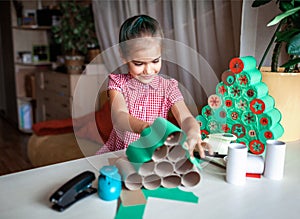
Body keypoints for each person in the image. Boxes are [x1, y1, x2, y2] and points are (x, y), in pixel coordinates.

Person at [96, 14, 212, 158]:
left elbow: (185, 117)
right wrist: (146, 128)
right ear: (123, 56)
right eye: (138, 63)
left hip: (153, 155)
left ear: (161, 53)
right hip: (119, 155)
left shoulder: (168, 87)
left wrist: (193, 132)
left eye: (155, 61)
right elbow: (120, 117)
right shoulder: (117, 83)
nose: (148, 70)